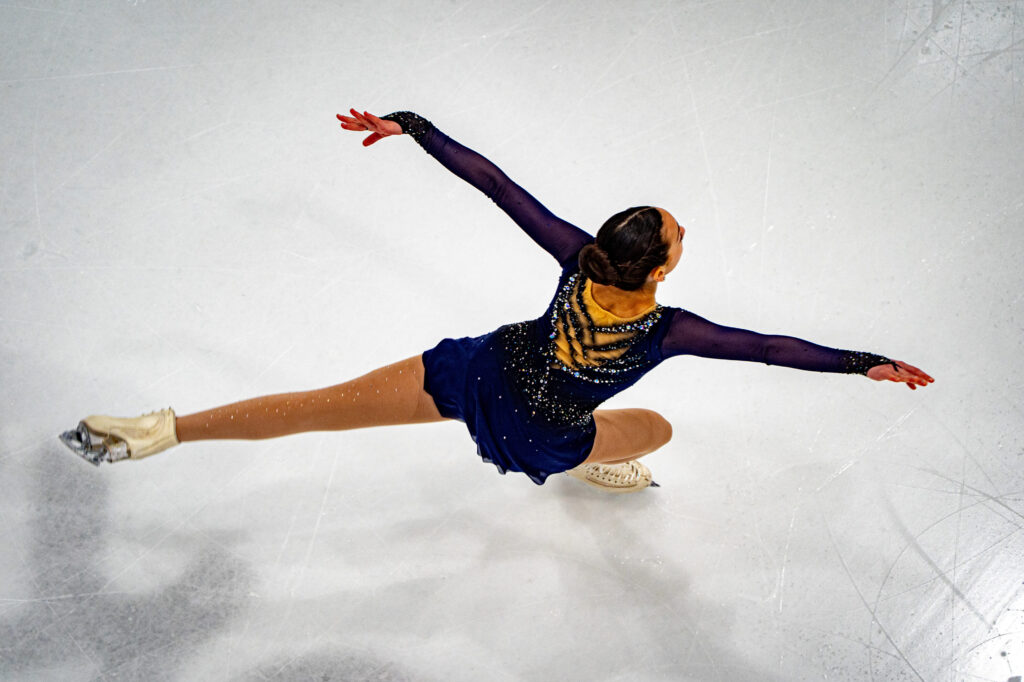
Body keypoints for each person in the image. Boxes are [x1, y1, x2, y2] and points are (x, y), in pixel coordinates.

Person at [58, 109, 934, 493]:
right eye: (677, 234)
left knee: (316, 408)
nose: (679, 235)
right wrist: (867, 364)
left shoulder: (572, 257)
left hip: (478, 371)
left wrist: (413, 126)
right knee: (656, 433)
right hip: (541, 430)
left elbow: (498, 186)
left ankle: (162, 431)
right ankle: (603, 469)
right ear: (659, 270)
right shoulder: (675, 330)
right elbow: (773, 348)